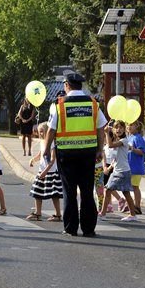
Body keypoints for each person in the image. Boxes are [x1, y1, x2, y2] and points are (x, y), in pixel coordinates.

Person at [44, 73, 107, 237]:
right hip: (88, 154)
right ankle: (89, 229)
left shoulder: (60, 104)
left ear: (66, 85)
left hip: (66, 154)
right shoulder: (93, 104)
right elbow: (101, 128)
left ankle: (71, 228)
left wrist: (45, 149)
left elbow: (51, 129)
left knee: (69, 192)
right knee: (87, 191)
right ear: (81, 86)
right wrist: (100, 149)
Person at [99, 121, 137, 221]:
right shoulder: (119, 140)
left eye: (121, 127)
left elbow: (110, 145)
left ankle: (102, 214)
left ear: (124, 129)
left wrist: (107, 133)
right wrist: (109, 167)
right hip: (119, 170)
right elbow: (115, 158)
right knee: (126, 192)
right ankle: (133, 215)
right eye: (116, 128)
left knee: (108, 190)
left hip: (122, 172)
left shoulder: (124, 140)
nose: (118, 129)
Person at [27, 122, 63, 221]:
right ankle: (38, 213)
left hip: (51, 172)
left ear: (48, 132)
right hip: (42, 171)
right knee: (37, 192)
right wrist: (33, 160)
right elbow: (41, 154)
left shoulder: (52, 143)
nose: (40, 134)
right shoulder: (42, 142)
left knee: (54, 194)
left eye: (42, 131)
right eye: (39, 132)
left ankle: (58, 214)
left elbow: (52, 160)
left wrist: (45, 172)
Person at [102, 124, 125, 212]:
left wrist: (110, 168)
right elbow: (104, 158)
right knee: (106, 187)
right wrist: (105, 167)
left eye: (106, 137)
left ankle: (120, 199)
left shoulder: (114, 147)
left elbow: (115, 159)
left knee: (109, 187)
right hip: (106, 168)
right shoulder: (105, 147)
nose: (104, 139)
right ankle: (109, 204)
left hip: (112, 168)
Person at [128, 121, 145, 214]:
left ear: (137, 127)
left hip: (136, 167)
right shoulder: (130, 137)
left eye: (131, 125)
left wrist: (133, 149)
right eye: (128, 125)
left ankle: (137, 207)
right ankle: (132, 205)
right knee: (131, 187)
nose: (129, 127)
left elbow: (142, 152)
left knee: (135, 187)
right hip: (130, 166)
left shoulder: (138, 138)